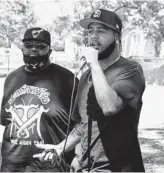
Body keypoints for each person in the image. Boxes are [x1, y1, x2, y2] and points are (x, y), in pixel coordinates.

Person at [34, 9, 146, 172]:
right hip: (87, 167)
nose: (93, 36)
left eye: (101, 31)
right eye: (90, 31)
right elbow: (83, 124)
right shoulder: (87, 75)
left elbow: (110, 107)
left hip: (118, 167)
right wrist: (62, 147)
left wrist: (93, 64)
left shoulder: (130, 69)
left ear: (116, 36)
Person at [0, 27, 78, 172]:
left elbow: (81, 125)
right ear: (22, 49)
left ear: (50, 51)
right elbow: (6, 120)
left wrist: (78, 157)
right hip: (12, 167)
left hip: (51, 165)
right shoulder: (12, 78)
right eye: (28, 46)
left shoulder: (67, 80)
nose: (33, 50)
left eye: (41, 46)